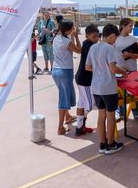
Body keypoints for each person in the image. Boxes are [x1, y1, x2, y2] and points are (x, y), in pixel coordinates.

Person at [86, 24, 128, 154]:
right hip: (108, 87)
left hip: (96, 86)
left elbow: (88, 67)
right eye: (115, 38)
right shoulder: (109, 48)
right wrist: (123, 72)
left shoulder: (93, 47)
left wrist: (100, 70)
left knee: (101, 114)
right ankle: (111, 144)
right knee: (110, 115)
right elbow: (113, 68)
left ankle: (102, 144)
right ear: (112, 36)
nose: (115, 41)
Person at [52, 20, 81, 135]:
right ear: (68, 30)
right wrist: (76, 36)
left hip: (56, 70)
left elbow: (70, 46)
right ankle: (60, 127)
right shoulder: (66, 41)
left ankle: (67, 116)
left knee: (63, 95)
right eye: (72, 28)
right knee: (63, 100)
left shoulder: (57, 39)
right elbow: (79, 50)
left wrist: (72, 36)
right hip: (65, 72)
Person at [73, 24, 98, 136]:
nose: (96, 39)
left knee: (82, 103)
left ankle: (80, 128)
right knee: (91, 104)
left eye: (97, 36)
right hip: (85, 80)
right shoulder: (90, 46)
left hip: (81, 77)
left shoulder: (86, 43)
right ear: (87, 36)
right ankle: (81, 125)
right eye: (94, 36)